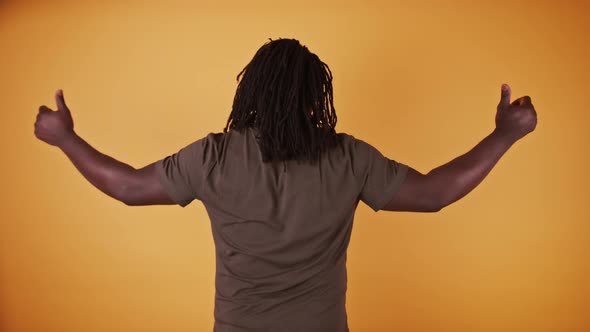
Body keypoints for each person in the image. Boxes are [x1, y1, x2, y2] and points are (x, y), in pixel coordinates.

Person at [33, 38, 537, 332]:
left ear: (250, 89)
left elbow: (128, 188)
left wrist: (65, 140)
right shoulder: (347, 156)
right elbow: (434, 195)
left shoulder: (213, 156)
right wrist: (504, 137)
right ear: (318, 95)